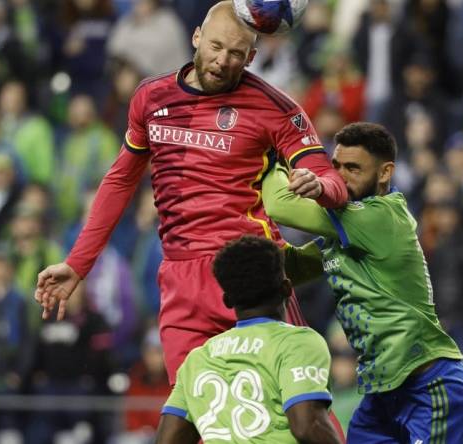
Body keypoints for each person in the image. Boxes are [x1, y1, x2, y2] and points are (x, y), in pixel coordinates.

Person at [33, 0, 347, 384]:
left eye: (236, 54)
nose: (222, 61)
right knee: (197, 416)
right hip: (181, 281)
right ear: (196, 37)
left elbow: (329, 178)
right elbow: (119, 181)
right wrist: (78, 264)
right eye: (215, 47)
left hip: (251, 270)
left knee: (297, 409)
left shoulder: (276, 108)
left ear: (250, 57)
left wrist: (320, 187)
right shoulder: (151, 97)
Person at [261, 122, 463, 443]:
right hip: (381, 393)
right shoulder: (342, 235)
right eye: (334, 167)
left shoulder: (379, 217)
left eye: (353, 168)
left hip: (429, 385)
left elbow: (281, 205)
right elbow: (288, 268)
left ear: (385, 172)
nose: (339, 176)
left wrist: (266, 155)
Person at [155, 236, 341, 444]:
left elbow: (167, 440)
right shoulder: (297, 343)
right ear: (287, 288)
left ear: (226, 300)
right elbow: (308, 425)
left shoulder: (197, 360)